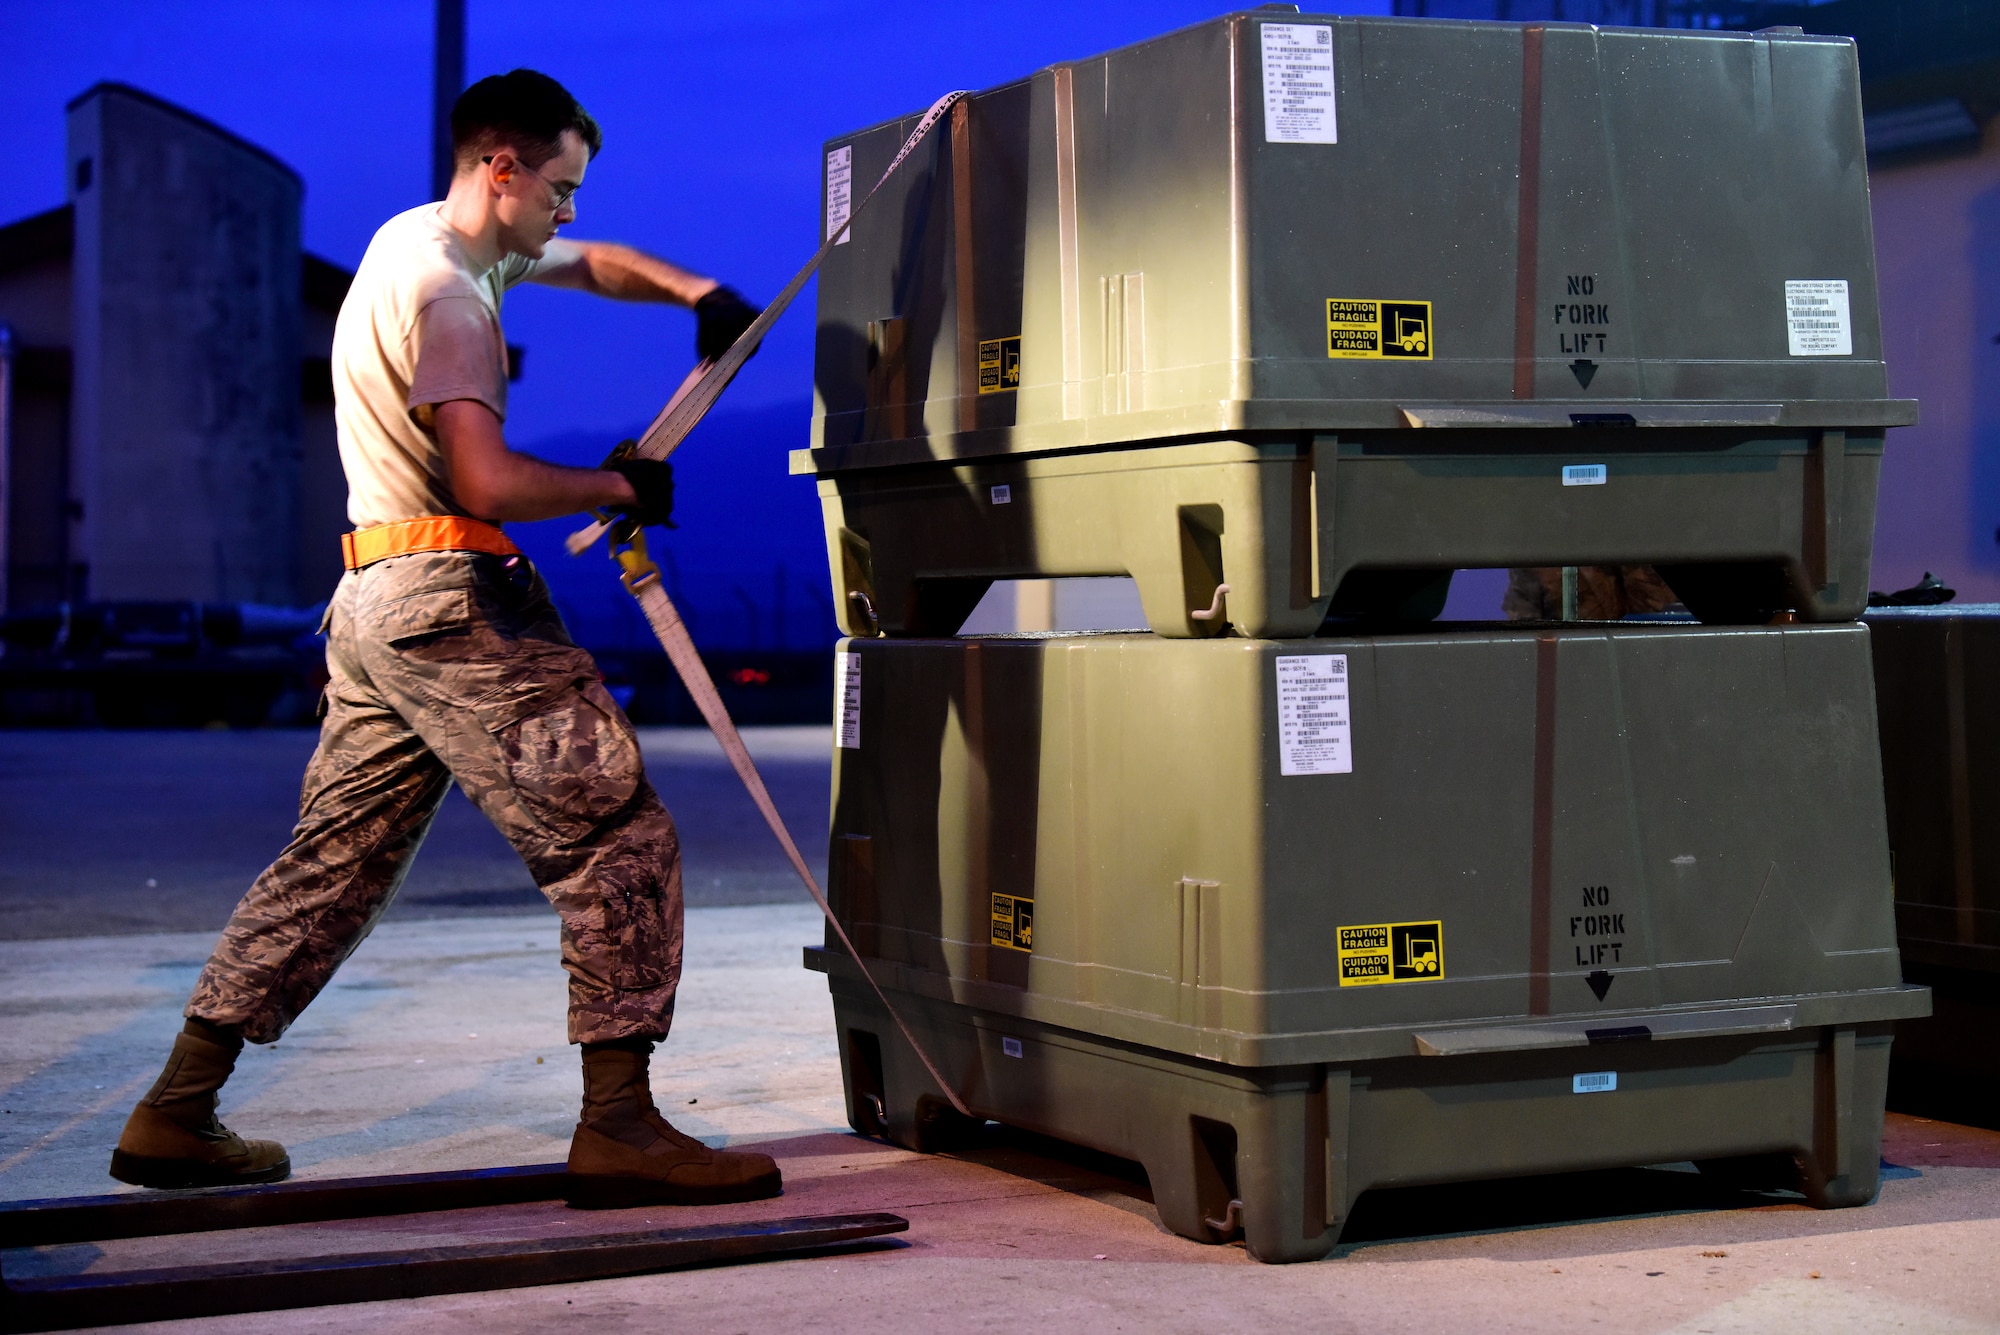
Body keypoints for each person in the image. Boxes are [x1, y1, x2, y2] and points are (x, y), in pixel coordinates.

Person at [109, 69, 774, 1209]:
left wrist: (696, 291)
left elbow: (592, 261)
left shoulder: (421, 238)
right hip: (455, 600)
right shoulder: (453, 302)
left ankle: (173, 1109)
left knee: (334, 864)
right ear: (501, 169)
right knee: (618, 839)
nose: (567, 214)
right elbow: (490, 479)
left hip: (372, 603)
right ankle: (617, 1126)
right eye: (559, 188)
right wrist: (620, 480)